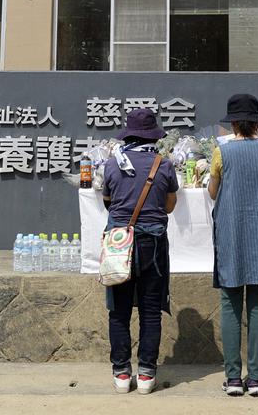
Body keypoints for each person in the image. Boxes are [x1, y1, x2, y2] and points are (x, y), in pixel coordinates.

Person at [208, 93, 258, 398]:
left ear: (233, 124)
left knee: (230, 305)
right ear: (256, 123)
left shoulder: (221, 154)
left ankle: (232, 378)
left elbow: (214, 192)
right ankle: (256, 379)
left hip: (231, 234)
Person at [102, 107, 178, 395]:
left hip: (119, 244)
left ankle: (121, 373)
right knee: (150, 310)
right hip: (153, 245)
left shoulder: (111, 165)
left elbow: (108, 202)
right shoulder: (164, 165)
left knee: (118, 311)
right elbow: (169, 206)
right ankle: (146, 374)